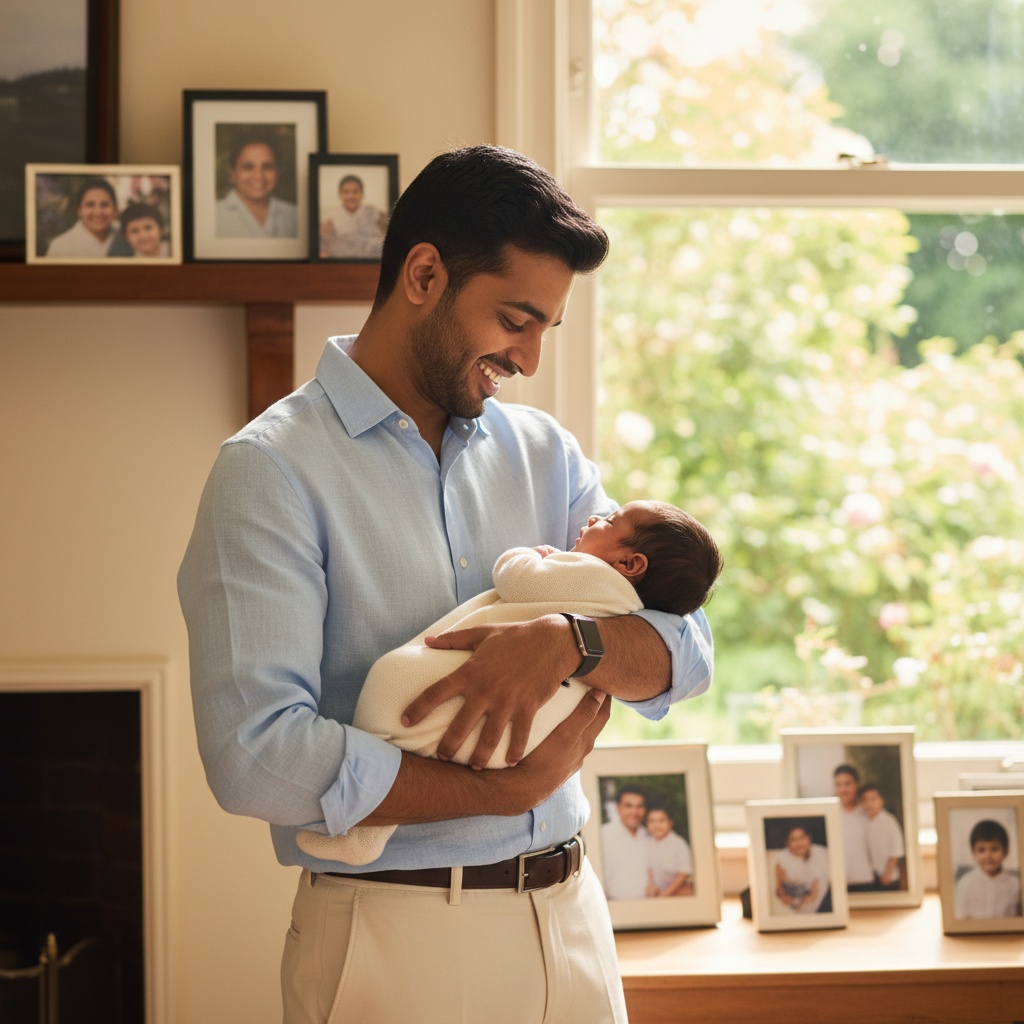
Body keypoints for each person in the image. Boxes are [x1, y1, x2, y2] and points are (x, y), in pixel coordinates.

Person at [178, 143, 714, 1024]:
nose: (531, 358)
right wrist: (495, 795)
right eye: (516, 318)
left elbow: (683, 651)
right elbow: (254, 756)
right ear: (424, 274)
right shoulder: (268, 473)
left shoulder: (547, 457)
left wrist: (565, 643)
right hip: (397, 939)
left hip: (573, 922)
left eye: (547, 328)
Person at [298, 499, 722, 865]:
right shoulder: (630, 606)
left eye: (609, 521)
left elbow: (517, 579)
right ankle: (370, 830)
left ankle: (365, 826)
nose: (594, 519)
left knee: (390, 680)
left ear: (630, 564)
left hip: (549, 854)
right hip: (522, 743)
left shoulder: (590, 575)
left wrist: (529, 557)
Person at [214, 129, 298, 238]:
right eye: (248, 167)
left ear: (278, 171)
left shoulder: (294, 214)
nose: (258, 176)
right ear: (233, 174)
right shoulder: (214, 216)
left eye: (267, 167)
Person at [954, 819, 1023, 919]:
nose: (988, 856)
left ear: (1006, 851)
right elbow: (960, 917)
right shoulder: (965, 883)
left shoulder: (1016, 884)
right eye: (981, 850)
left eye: (994, 849)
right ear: (973, 853)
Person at [45, 177, 126, 258]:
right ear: (79, 210)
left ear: (115, 208)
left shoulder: (126, 239)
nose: (98, 212)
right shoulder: (60, 247)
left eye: (104, 205)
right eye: (90, 205)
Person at [601, 784, 653, 900]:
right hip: (614, 908)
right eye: (628, 806)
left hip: (649, 907)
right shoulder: (603, 835)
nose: (634, 811)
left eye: (639, 806)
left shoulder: (649, 836)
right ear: (618, 808)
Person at [319, 173, 387, 258]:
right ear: (340, 194)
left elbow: (387, 237)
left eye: (355, 192)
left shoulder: (375, 213)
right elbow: (322, 245)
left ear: (362, 194)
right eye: (346, 192)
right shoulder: (331, 217)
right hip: (340, 264)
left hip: (370, 263)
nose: (351, 196)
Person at [833, 763, 876, 891]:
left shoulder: (867, 813)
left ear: (856, 785)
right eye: (838, 785)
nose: (843, 790)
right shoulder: (832, 814)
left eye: (847, 784)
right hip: (839, 881)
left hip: (865, 879)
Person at [774, 824, 831, 914]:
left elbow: (816, 891)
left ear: (809, 838)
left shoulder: (821, 853)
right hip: (793, 905)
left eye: (802, 838)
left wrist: (809, 899)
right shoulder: (783, 858)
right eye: (794, 840)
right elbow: (779, 888)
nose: (799, 843)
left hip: (819, 906)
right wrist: (786, 898)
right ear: (787, 843)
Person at [859, 782, 905, 891]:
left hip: (889, 877)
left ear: (881, 800)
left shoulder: (889, 821)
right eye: (865, 800)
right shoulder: (863, 821)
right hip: (872, 876)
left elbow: (896, 850)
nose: (869, 804)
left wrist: (888, 873)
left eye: (873, 799)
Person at [644, 805, 694, 897]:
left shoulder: (678, 844)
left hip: (677, 892)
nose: (656, 825)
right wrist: (651, 885)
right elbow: (649, 868)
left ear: (670, 823)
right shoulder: (649, 842)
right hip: (658, 891)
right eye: (652, 821)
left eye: (661, 821)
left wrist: (666, 893)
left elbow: (684, 873)